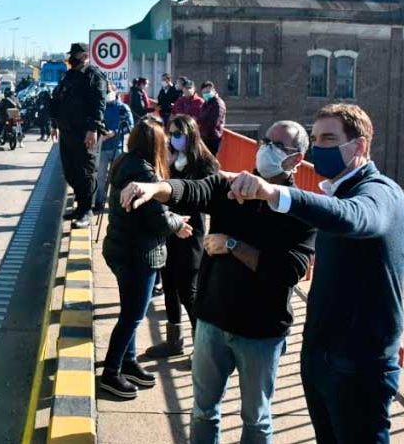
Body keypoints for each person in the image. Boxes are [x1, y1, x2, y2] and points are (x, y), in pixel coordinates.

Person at [120, 120, 316, 443]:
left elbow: (288, 271)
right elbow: (192, 191)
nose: (266, 148)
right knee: (203, 411)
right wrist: (155, 188)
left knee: (256, 419)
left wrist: (233, 245)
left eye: (278, 145)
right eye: (265, 140)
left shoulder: (300, 209)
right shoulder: (231, 186)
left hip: (261, 333)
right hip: (212, 321)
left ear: (296, 160)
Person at [227, 104, 404, 444]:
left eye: (329, 138)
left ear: (360, 147)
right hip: (321, 356)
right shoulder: (334, 191)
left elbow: (354, 217)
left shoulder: (379, 192)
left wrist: (274, 192)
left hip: (359, 366)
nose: (319, 148)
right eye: (315, 139)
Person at [100, 116, 193, 399]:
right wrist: (179, 222)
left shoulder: (123, 163)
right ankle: (111, 373)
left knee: (131, 312)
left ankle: (128, 363)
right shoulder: (146, 175)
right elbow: (158, 221)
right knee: (132, 316)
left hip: (119, 248)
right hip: (138, 255)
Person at [145, 114, 219, 359]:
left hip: (191, 230)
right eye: (170, 133)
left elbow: (207, 198)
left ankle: (203, 347)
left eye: (177, 134)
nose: (172, 138)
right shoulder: (167, 158)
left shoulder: (204, 163)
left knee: (188, 288)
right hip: (169, 227)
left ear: (190, 135)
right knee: (168, 284)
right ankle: (174, 341)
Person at [50, 42, 107, 228]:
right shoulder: (69, 76)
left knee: (86, 172)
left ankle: (86, 211)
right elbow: (58, 99)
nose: (71, 59)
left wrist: (93, 129)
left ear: (84, 56)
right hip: (67, 132)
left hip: (85, 133)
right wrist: (54, 124)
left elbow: (99, 104)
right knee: (70, 172)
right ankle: (80, 207)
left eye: (74, 55)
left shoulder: (93, 76)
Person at [94, 83, 134, 213]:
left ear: (115, 92)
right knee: (100, 177)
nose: (106, 94)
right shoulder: (101, 107)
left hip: (118, 147)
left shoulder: (123, 108)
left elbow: (130, 126)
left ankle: (118, 203)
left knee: (119, 177)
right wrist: (101, 134)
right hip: (103, 147)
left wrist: (115, 132)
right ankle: (99, 202)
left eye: (109, 91)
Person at [198, 81, 226, 155]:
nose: (206, 94)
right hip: (204, 137)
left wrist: (200, 126)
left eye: (208, 91)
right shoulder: (206, 103)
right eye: (204, 92)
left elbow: (214, 122)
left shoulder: (218, 104)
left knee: (211, 161)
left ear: (213, 90)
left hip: (213, 138)